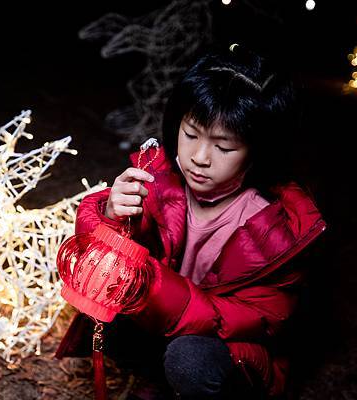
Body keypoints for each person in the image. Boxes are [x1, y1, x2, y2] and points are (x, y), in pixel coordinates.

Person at [55, 44, 326, 399]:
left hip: (225, 347)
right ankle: (153, 375)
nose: (199, 157)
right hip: (164, 320)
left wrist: (148, 288)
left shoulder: (278, 234)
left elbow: (255, 319)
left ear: (259, 151)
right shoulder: (157, 178)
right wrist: (111, 215)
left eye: (224, 147)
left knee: (189, 360)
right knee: (112, 299)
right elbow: (101, 257)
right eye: (191, 134)